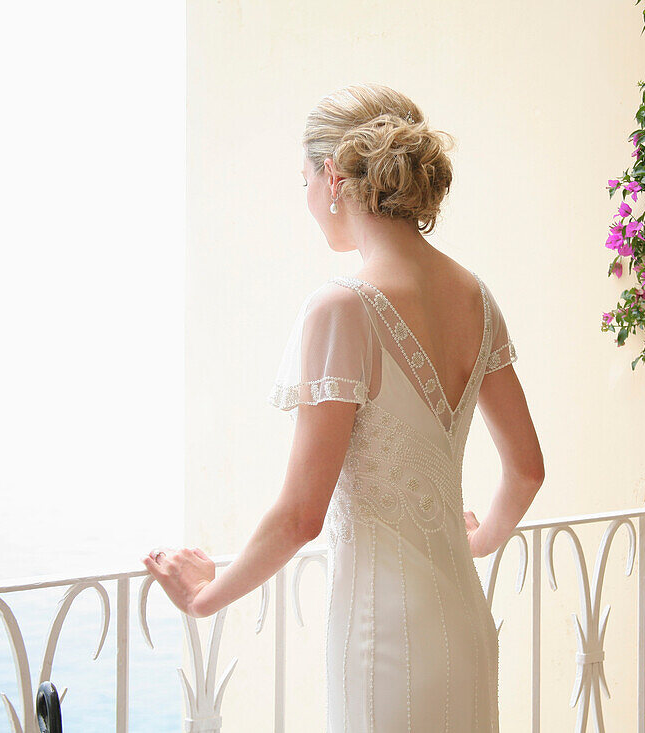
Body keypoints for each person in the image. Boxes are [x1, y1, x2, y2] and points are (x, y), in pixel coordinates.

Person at [142, 82, 544, 731]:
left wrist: (204, 593)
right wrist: (477, 540)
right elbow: (527, 470)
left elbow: (303, 514)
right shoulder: (477, 297)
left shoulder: (341, 307)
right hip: (465, 624)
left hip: (385, 643)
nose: (304, 198)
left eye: (301, 179)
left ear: (332, 176)